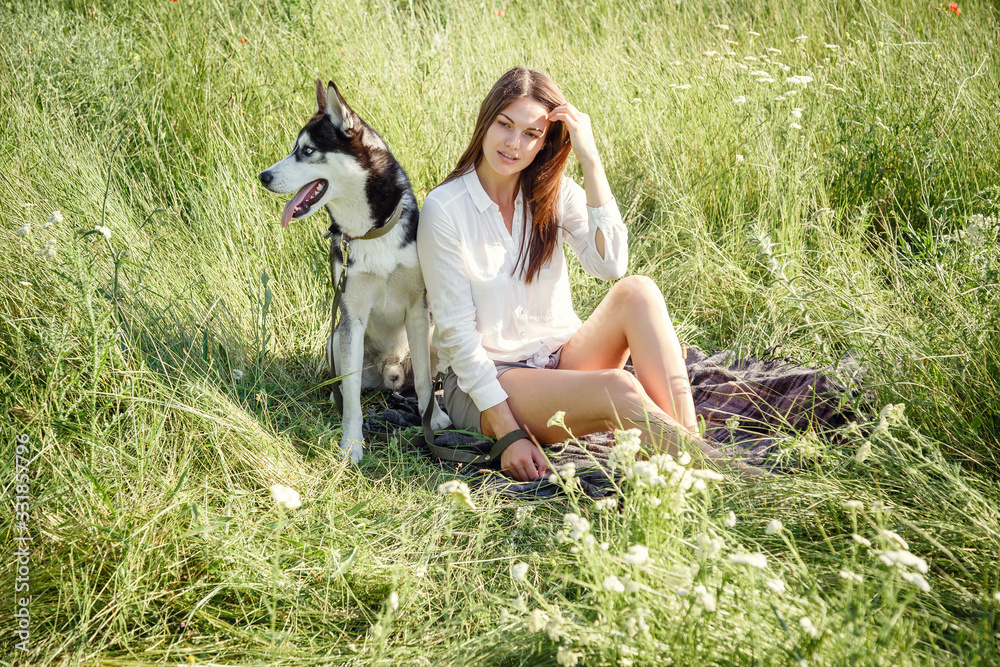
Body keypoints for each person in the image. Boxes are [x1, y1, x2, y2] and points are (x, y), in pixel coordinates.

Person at [418, 67, 753, 482]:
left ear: (545, 142)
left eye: (530, 134)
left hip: (558, 363)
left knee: (639, 292)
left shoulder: (550, 191)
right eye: (505, 125)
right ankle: (730, 476)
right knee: (620, 388)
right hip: (489, 386)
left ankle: (685, 453)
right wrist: (509, 435)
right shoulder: (444, 210)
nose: (513, 144)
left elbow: (611, 265)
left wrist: (591, 160)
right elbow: (457, 338)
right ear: (486, 121)